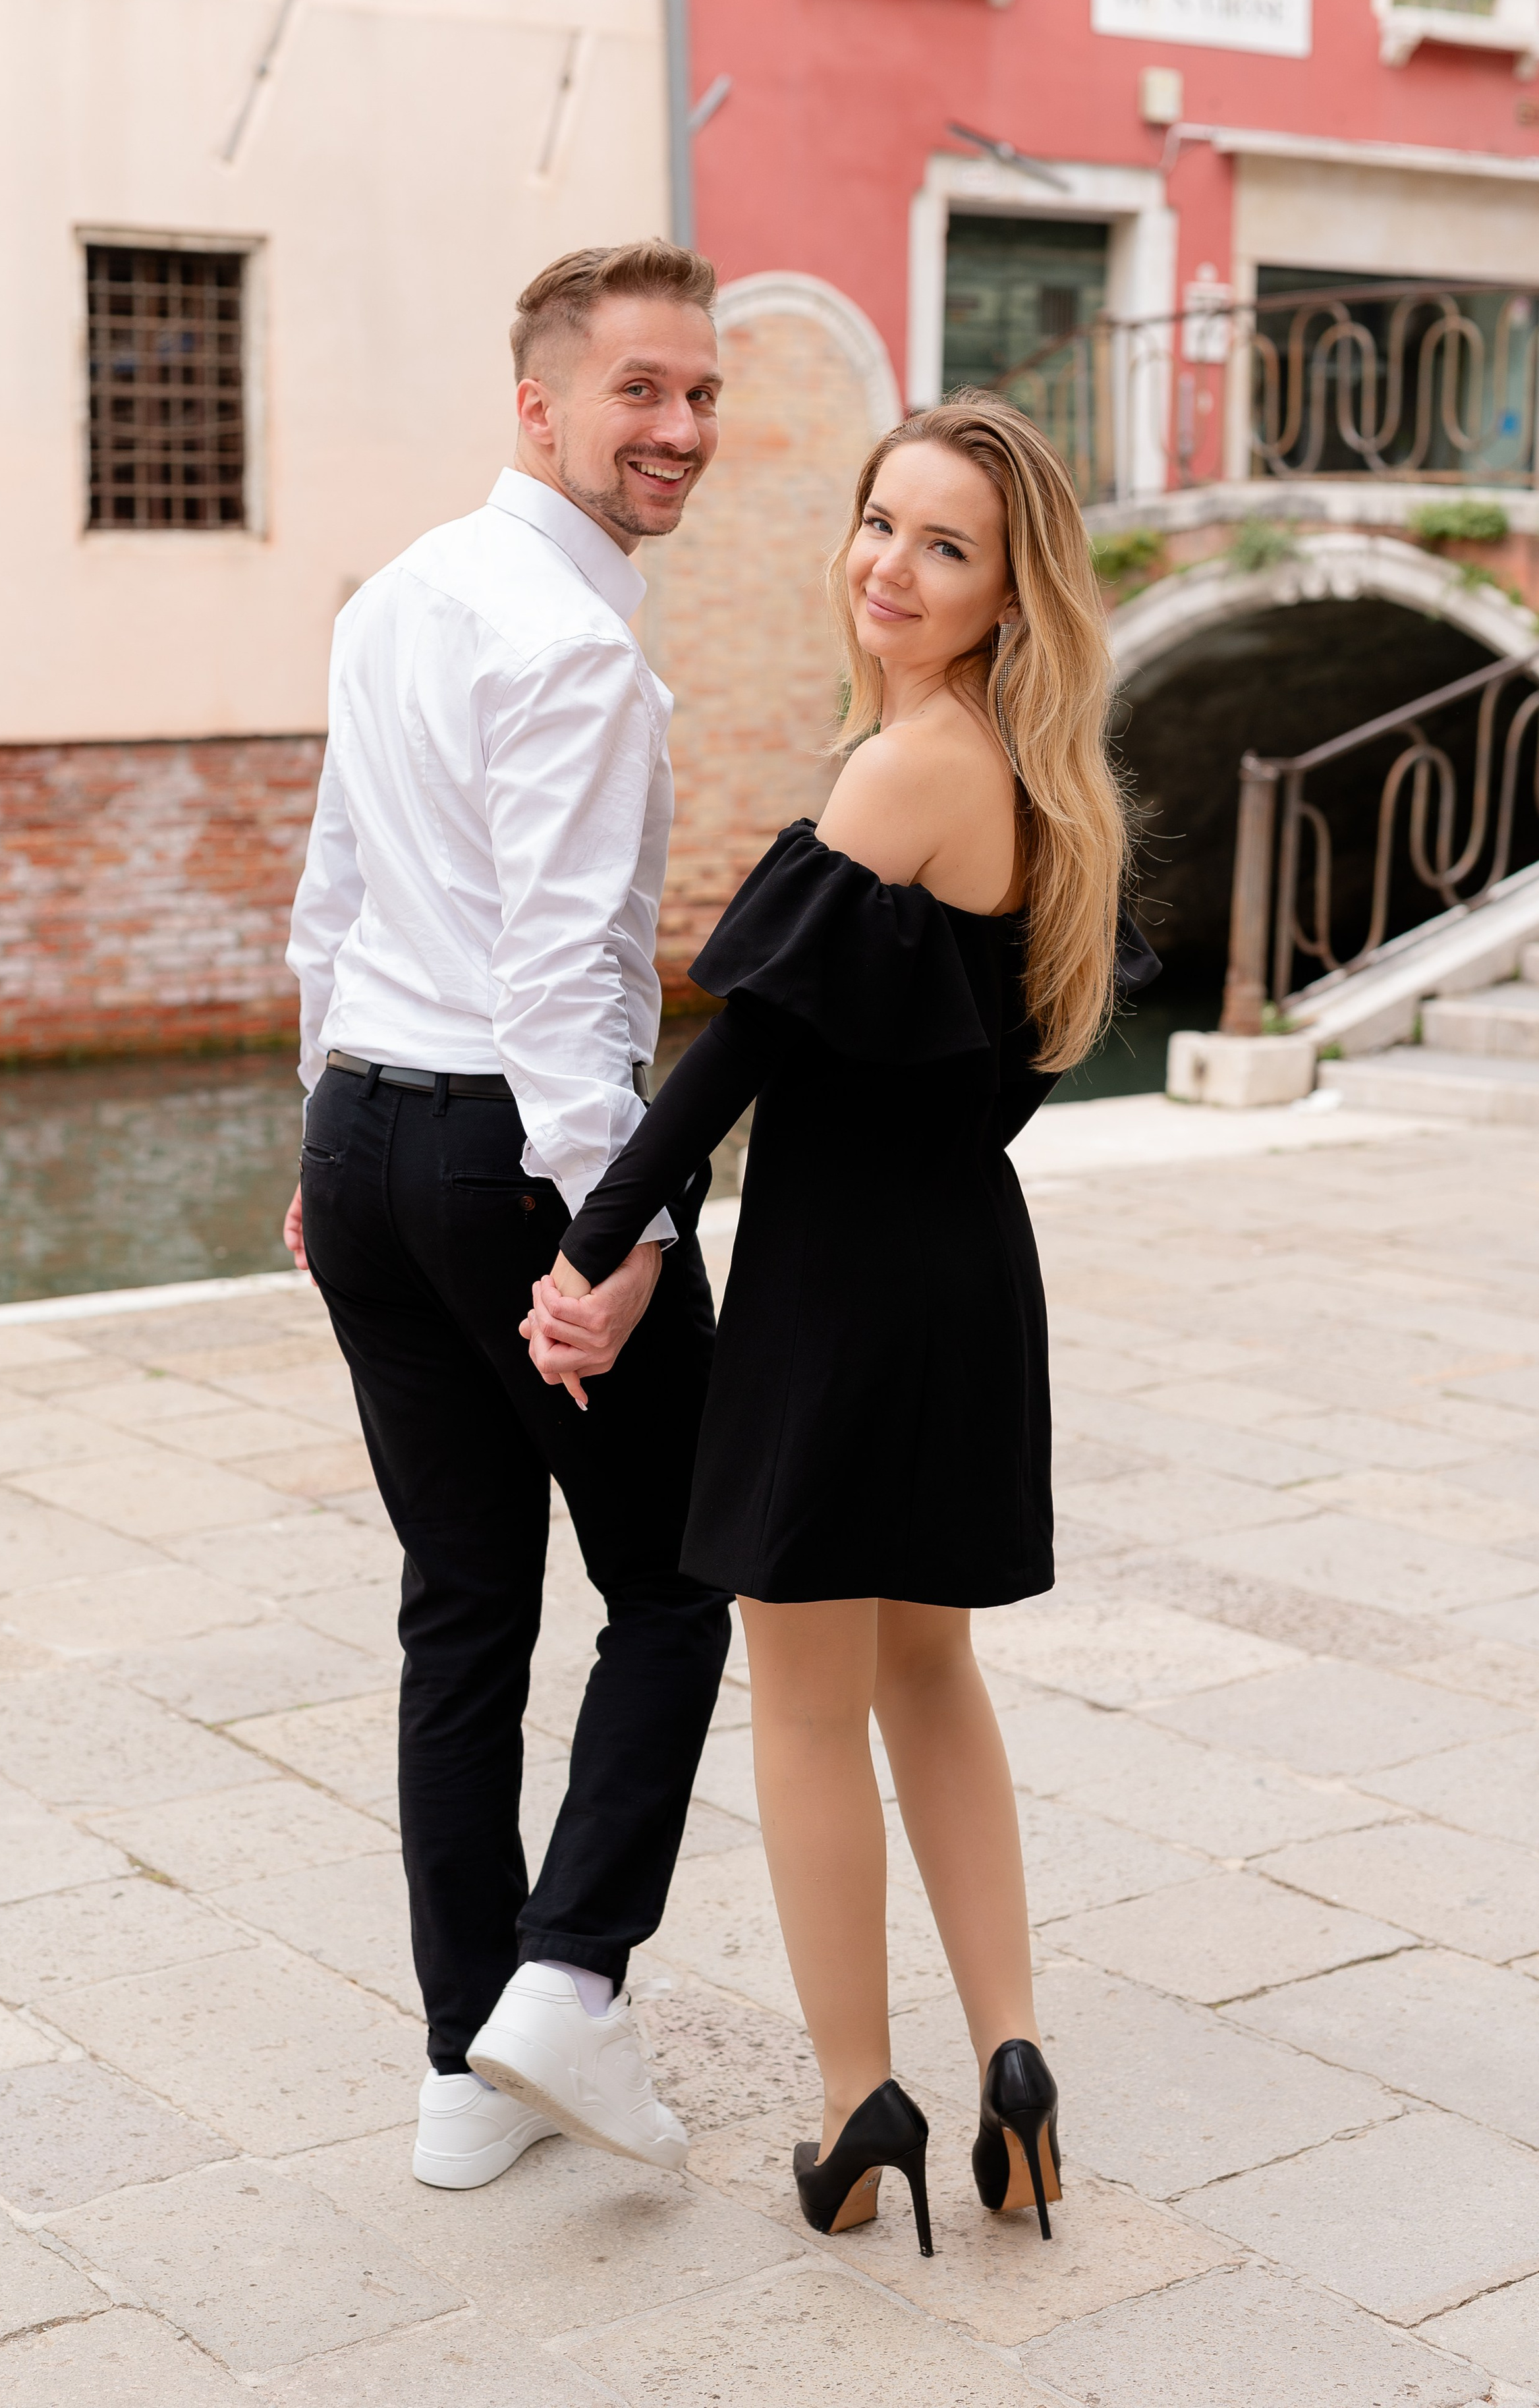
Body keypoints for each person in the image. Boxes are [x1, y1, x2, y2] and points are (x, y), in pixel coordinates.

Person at [520, 393, 1154, 2255]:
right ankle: (1017, 2071)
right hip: (967, 1275)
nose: (889, 561)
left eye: (944, 543)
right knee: (933, 1677)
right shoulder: (1041, 783)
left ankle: (851, 2104)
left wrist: (600, 1243)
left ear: (1006, 589)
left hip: (842, 1293)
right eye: (881, 521)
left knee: (802, 1706)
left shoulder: (907, 769)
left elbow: (739, 1054)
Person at [284, 240, 733, 2193]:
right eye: (644, 391)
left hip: (371, 1137)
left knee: (461, 1613)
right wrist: (618, 1241)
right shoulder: (571, 645)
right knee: (683, 1573)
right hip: (505, 1156)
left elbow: (332, 899)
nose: (684, 430)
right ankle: (564, 1982)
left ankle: (464, 2085)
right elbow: (566, 986)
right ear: (538, 404)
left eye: (704, 394)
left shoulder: (398, 594)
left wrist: (317, 1151)